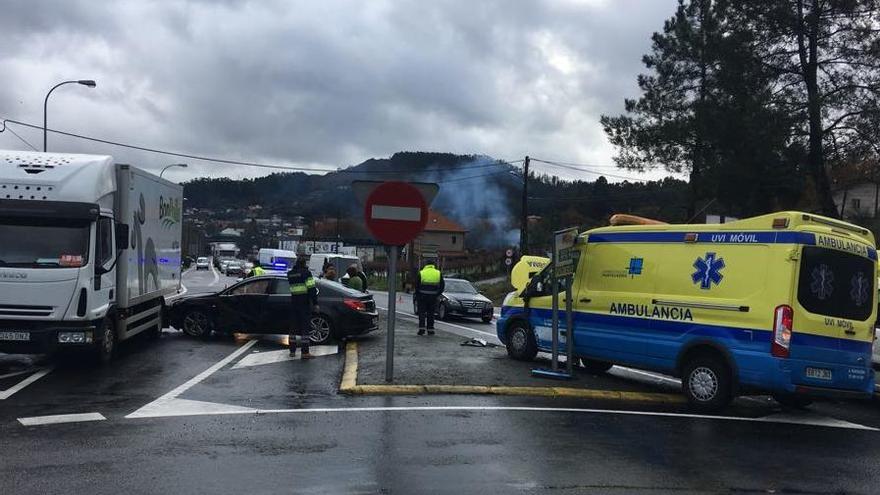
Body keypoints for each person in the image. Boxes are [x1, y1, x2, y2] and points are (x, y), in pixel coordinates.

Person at [287, 257, 318, 359]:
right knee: (305, 328)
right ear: (304, 264)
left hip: (293, 302)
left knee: (293, 328)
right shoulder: (306, 273)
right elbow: (311, 288)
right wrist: (315, 303)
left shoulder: (290, 274)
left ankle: (292, 351)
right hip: (304, 303)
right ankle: (305, 352)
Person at [415, 261, 444, 336]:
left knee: (422, 313)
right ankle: (430, 330)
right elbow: (442, 285)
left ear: (426, 265)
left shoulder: (421, 272)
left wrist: (418, 295)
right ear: (433, 265)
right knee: (431, 313)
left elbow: (416, 285)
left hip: (422, 296)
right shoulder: (438, 273)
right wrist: (437, 294)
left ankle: (421, 329)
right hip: (433, 297)